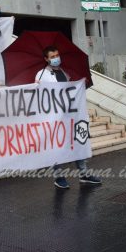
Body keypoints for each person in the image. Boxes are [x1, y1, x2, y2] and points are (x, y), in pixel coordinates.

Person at [35, 46, 101, 189]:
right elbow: (40, 96)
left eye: (57, 55)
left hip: (71, 116)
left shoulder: (64, 73)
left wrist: (79, 85)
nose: (56, 58)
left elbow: (70, 91)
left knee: (78, 142)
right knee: (57, 146)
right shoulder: (41, 74)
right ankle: (59, 177)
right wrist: (37, 86)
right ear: (46, 59)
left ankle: (84, 174)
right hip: (54, 118)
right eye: (52, 57)